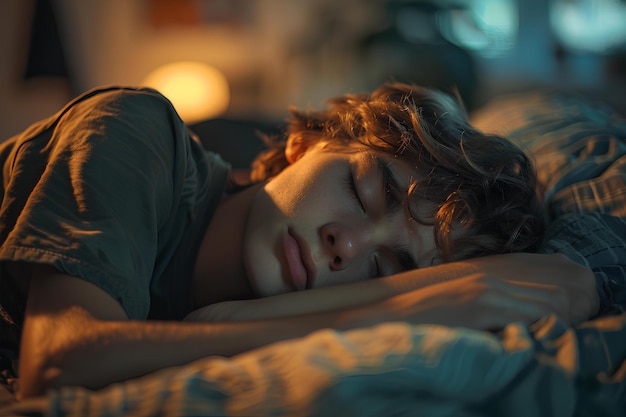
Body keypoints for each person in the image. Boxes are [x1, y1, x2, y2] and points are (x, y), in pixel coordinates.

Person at [0, 83, 597, 399]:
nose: (349, 246)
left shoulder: (275, 314)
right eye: (362, 192)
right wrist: (426, 301)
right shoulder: (135, 131)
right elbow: (60, 363)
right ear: (308, 143)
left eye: (392, 269)